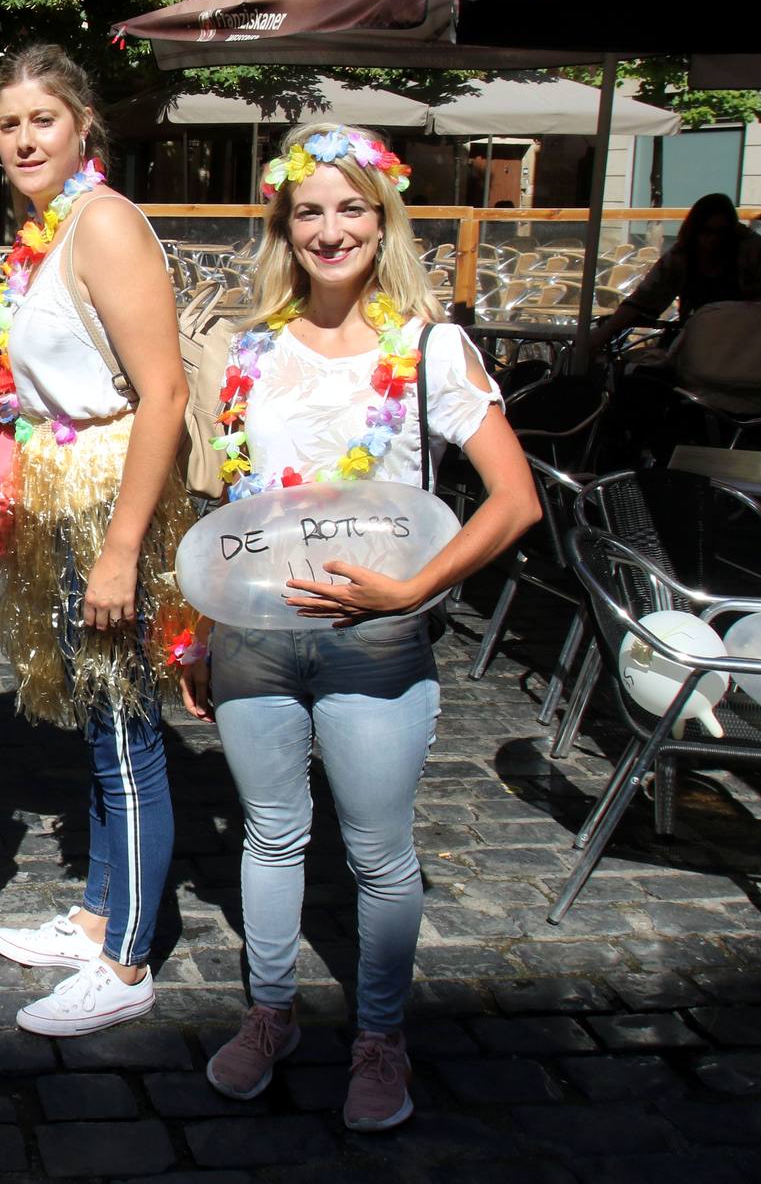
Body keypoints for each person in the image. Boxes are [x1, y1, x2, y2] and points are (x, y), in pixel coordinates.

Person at [181, 122, 537, 1132]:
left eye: (350, 209)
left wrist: (411, 589)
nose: (329, 230)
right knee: (271, 836)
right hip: (257, 640)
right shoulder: (249, 346)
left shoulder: (429, 348)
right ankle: (271, 1014)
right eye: (309, 212)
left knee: (378, 854)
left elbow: (512, 504)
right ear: (283, 227)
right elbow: (234, 508)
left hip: (378, 647)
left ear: (383, 223)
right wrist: (202, 629)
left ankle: (380, 1039)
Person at [0, 44, 195, 1037]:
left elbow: (164, 393)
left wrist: (119, 549)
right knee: (101, 720)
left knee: (124, 727)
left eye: (42, 119)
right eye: (9, 122)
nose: (23, 138)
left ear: (84, 127)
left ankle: (126, 961)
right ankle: (98, 909)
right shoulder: (46, 230)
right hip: (64, 494)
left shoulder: (102, 223)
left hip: (109, 500)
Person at [587, 192, 761, 354]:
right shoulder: (682, 256)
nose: (713, 240)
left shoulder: (751, 251)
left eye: (721, 233)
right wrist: (604, 333)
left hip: (748, 346)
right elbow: (644, 298)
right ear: (694, 231)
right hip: (701, 343)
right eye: (706, 232)